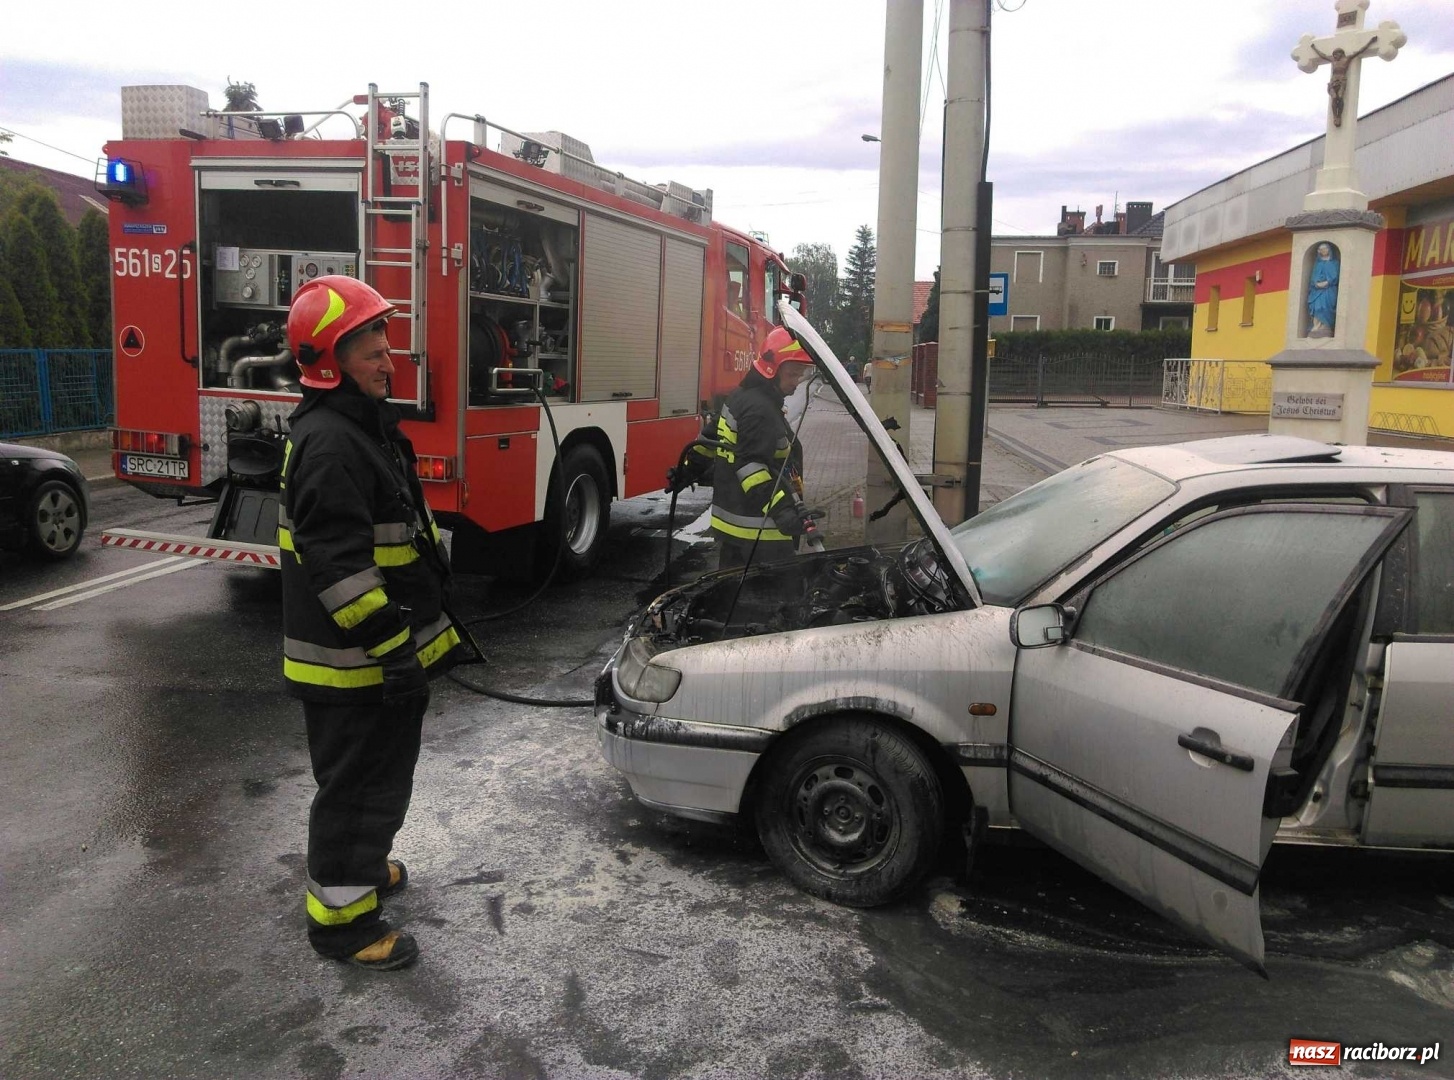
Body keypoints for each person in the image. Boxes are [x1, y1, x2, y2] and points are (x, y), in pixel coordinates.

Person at [279, 276, 467, 971]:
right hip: (356, 664)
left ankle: (362, 870)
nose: (389, 360)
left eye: (385, 343)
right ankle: (344, 923)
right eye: (370, 348)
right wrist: (395, 652)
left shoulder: (353, 432)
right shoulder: (332, 447)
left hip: (368, 660)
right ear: (330, 361)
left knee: (376, 782)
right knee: (359, 789)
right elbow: (342, 574)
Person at [710, 327, 818, 568]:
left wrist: (688, 468)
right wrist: (782, 511)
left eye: (800, 375)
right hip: (760, 533)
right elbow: (751, 466)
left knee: (730, 600)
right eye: (792, 375)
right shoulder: (760, 410)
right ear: (772, 369)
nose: (797, 383)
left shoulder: (741, 396)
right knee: (776, 601)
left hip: (738, 529)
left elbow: (712, 437)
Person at [1307, 242, 1339, 338]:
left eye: (1325, 248)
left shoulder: (1334, 263)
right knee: (1317, 308)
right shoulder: (1318, 264)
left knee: (1325, 307)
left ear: (1329, 250)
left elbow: (1335, 276)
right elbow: (1313, 277)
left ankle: (1326, 327)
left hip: (1329, 290)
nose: (1323, 251)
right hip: (1317, 290)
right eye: (1321, 249)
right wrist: (1316, 283)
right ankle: (1316, 326)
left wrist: (1327, 282)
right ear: (1319, 252)